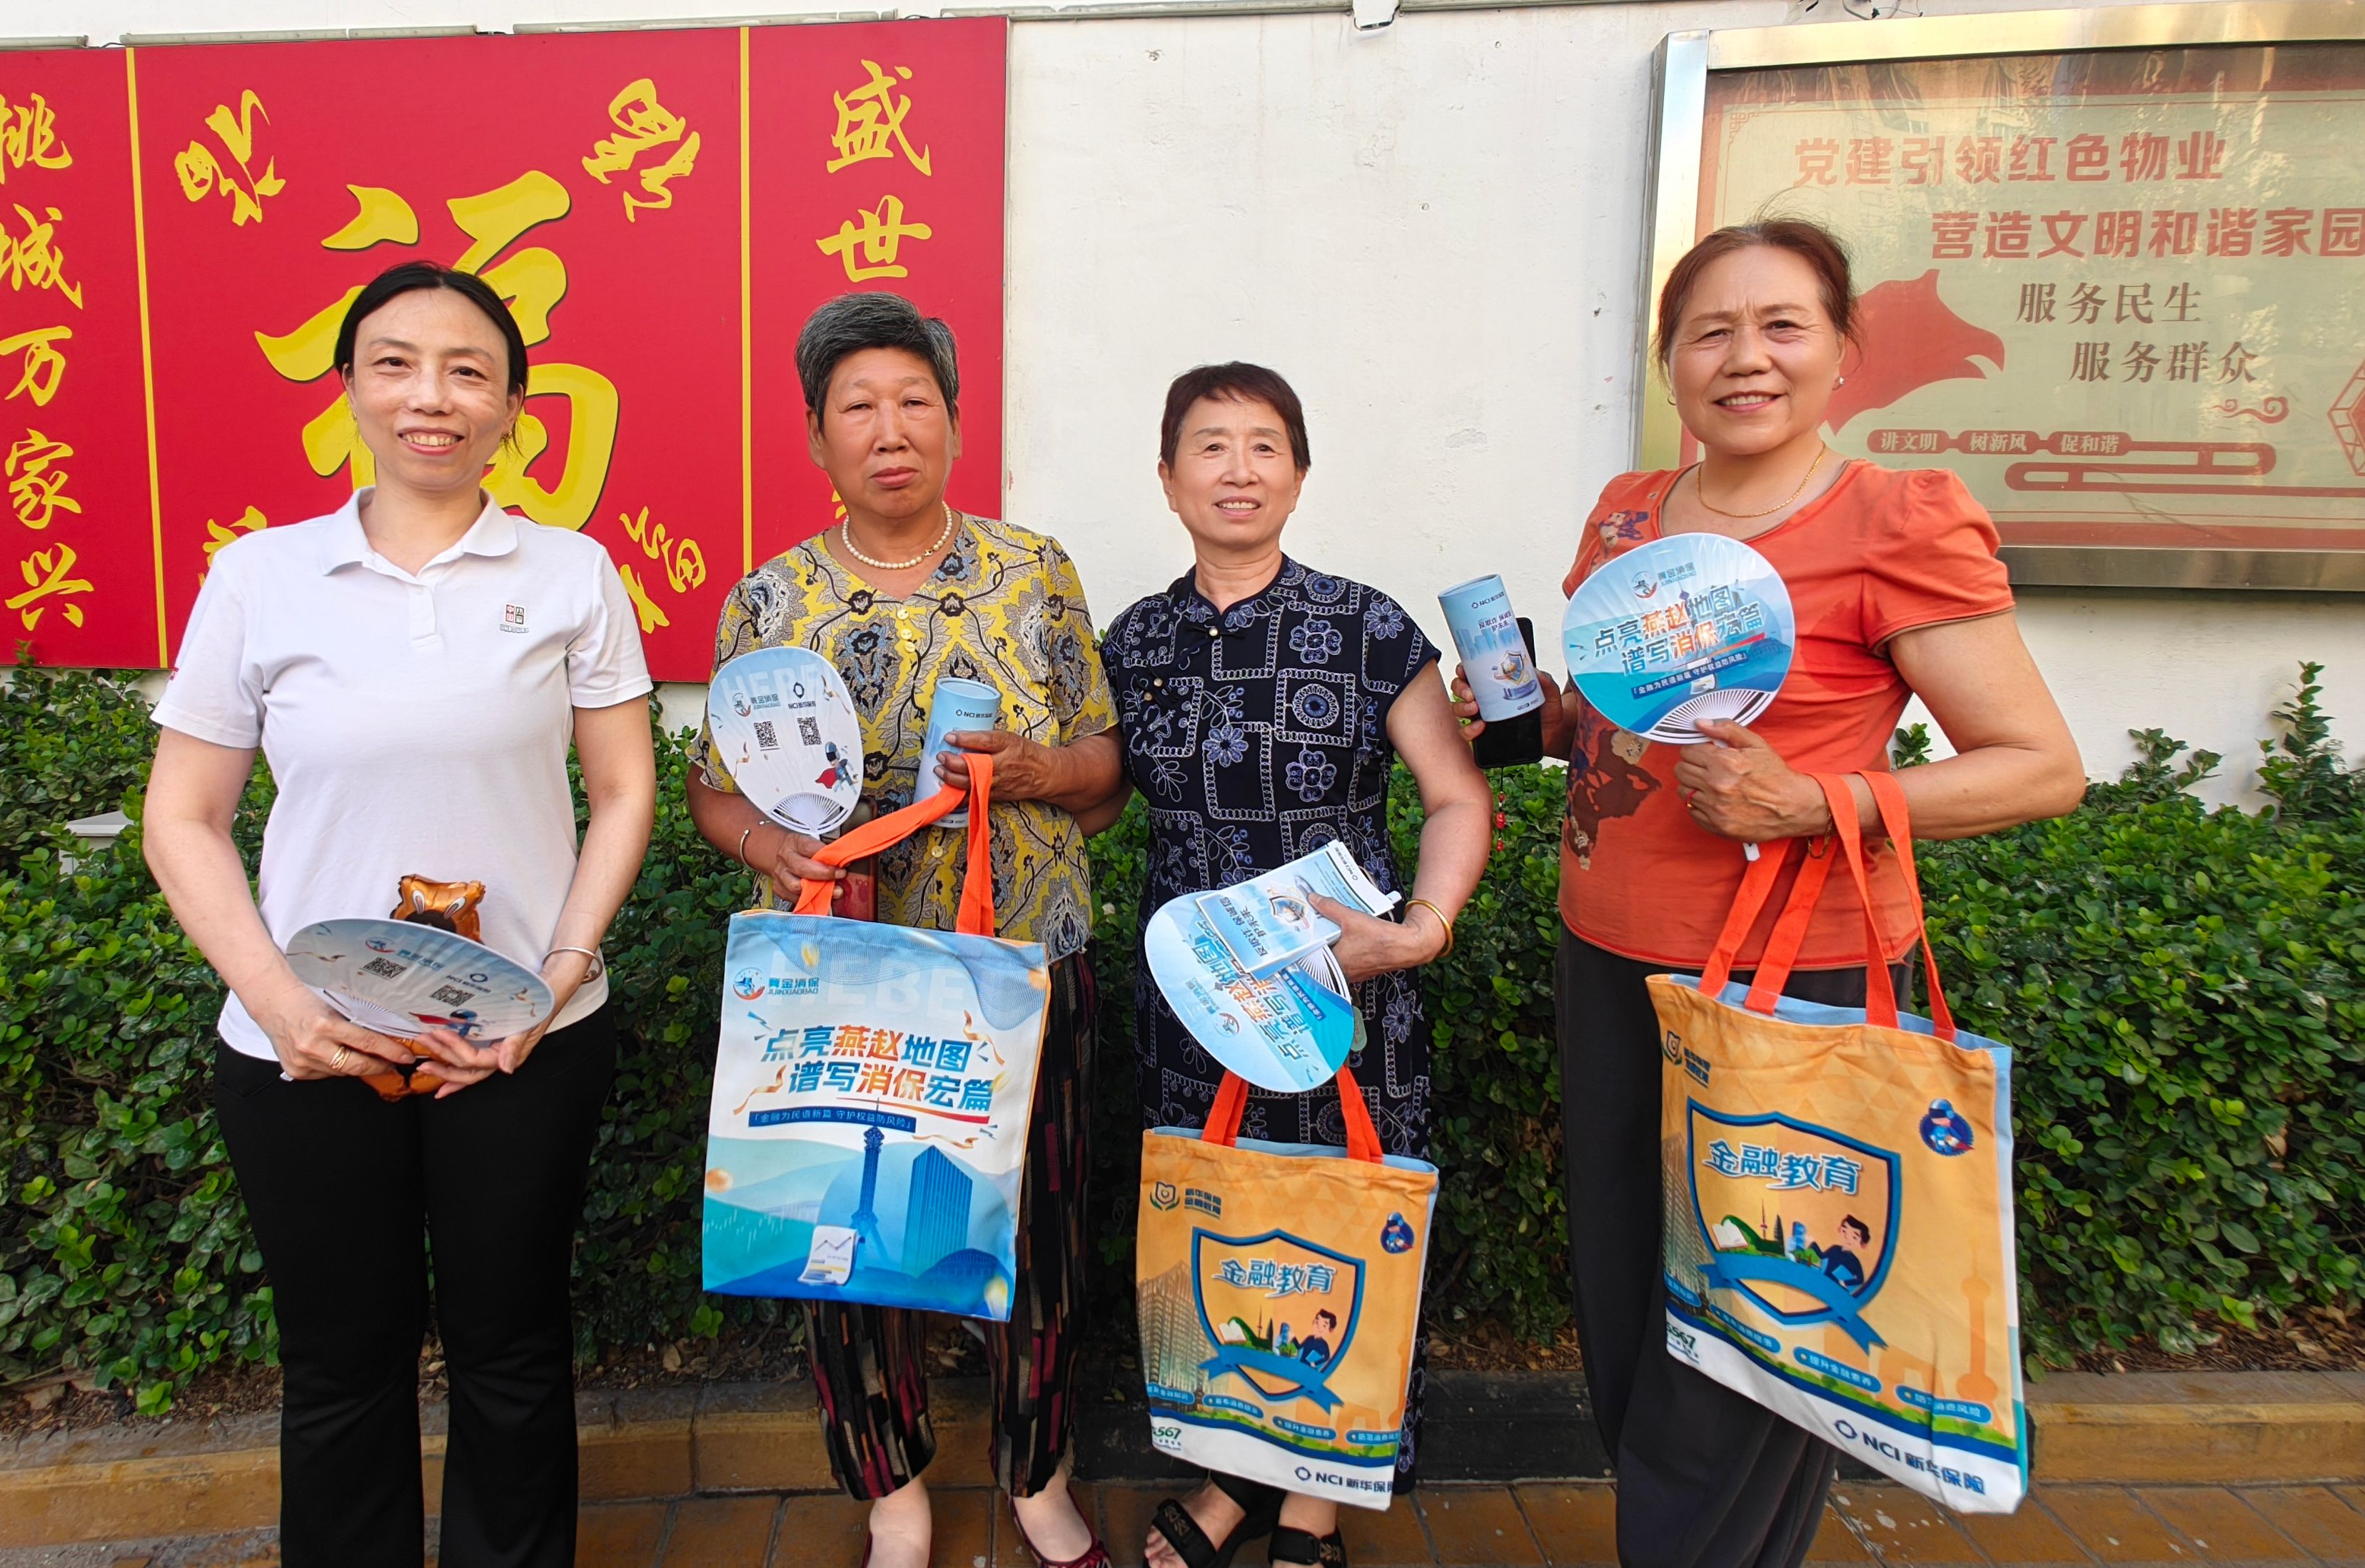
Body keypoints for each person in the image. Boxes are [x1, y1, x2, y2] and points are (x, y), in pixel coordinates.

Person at [1454, 218, 2083, 1568]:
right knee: (1629, 1304)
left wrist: (1812, 801)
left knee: (1748, 1327)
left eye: (1783, 325)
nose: (1747, 357)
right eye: (1712, 332)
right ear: (1670, 361)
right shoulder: (1629, 514)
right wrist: (1538, 717)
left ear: (1843, 351)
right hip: (1608, 957)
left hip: (1792, 980)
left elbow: (2041, 768)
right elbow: (1622, 731)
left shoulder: (1895, 519)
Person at [143, 259, 658, 1567]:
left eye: (467, 371)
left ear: (512, 409)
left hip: (522, 1039)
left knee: (514, 1349)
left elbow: (623, 789)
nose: (432, 396)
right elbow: (183, 817)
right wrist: (278, 1004)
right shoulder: (262, 576)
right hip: (307, 1047)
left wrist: (557, 975)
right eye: (396, 364)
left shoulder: (571, 572)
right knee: (339, 1365)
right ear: (350, 390)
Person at [685, 292, 1129, 1568]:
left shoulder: (1031, 570)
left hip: (1020, 967)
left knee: (1036, 1225)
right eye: (859, 407)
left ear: (955, 421)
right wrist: (766, 844)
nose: (891, 430)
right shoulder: (770, 600)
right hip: (840, 979)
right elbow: (715, 788)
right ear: (815, 437)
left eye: (914, 401)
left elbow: (1104, 772)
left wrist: (1033, 768)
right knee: (847, 1229)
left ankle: (1038, 1473)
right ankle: (893, 1492)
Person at [1100, 363, 1494, 1568]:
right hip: (1195, 1005)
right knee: (1225, 1234)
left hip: (1344, 995)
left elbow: (1455, 795)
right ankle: (1233, 1473)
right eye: (1210, 445)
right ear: (1168, 479)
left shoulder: (1370, 628)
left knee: (1338, 1232)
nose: (1238, 468)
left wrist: (1421, 928)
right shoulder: (1136, 639)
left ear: (1301, 474)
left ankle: (1314, 1496)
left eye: (1264, 444)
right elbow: (1091, 794)